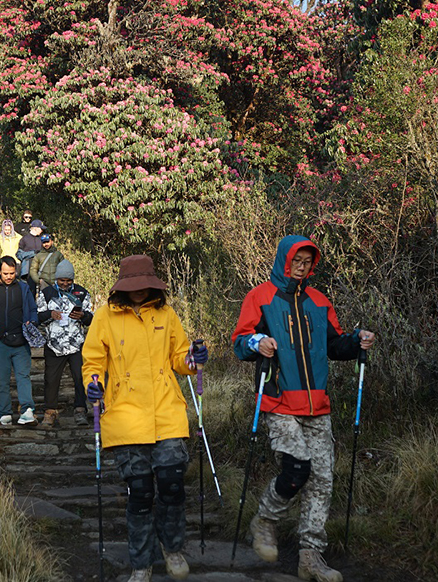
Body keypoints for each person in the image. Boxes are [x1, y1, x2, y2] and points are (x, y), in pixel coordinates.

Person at [231, 235, 376, 582]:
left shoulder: (319, 301)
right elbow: (240, 342)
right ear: (285, 259)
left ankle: (310, 557)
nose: (302, 266)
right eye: (297, 260)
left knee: (323, 480)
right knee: (297, 469)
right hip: (279, 401)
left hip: (318, 405)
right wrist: (258, 342)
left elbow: (334, 346)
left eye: (308, 261)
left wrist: (357, 340)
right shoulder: (261, 297)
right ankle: (264, 520)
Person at [82, 255, 208, 582]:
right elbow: (92, 362)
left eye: (144, 285)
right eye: (132, 286)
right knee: (140, 493)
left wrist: (193, 359)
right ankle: (141, 563)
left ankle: (172, 547)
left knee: (171, 485)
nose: (139, 291)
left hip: (166, 411)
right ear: (122, 287)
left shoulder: (166, 314)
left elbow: (180, 359)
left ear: (153, 283)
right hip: (124, 416)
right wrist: (93, 385)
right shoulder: (105, 317)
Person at [0, 256, 41, 426]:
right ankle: (4, 414)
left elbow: (33, 310)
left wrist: (32, 322)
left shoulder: (24, 289)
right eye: (5, 273)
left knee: (23, 377)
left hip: (21, 342)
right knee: (1, 380)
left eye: (12, 273)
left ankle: (27, 411)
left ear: (16, 271)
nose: (9, 276)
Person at [37, 260, 92, 429]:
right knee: (51, 379)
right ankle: (50, 412)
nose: (65, 283)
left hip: (76, 344)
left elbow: (91, 318)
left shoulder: (81, 293)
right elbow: (37, 317)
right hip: (54, 344)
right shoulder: (46, 293)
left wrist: (82, 315)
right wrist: (49, 314)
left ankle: (80, 409)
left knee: (80, 377)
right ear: (56, 278)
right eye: (62, 280)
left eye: (68, 280)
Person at [16, 218, 46, 283]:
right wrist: (33, 253)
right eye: (41, 229)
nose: (42, 231)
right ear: (35, 228)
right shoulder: (24, 239)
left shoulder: (42, 239)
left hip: (39, 270)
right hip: (26, 272)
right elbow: (19, 255)